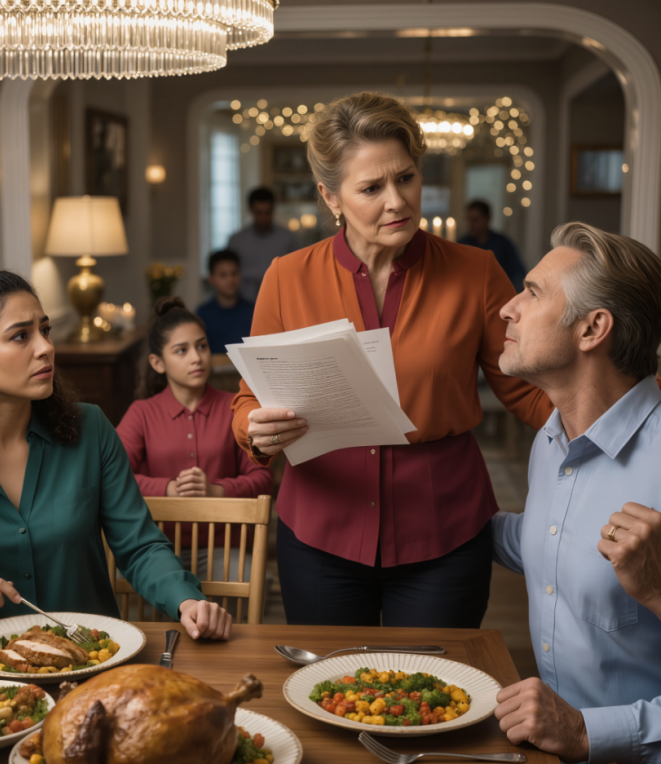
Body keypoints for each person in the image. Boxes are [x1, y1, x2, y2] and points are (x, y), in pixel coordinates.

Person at [232, 91, 552, 628]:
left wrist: (624, 422)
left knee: (436, 699)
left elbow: (526, 391)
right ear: (330, 198)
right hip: (318, 533)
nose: (397, 201)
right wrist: (253, 428)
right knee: (327, 694)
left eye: (405, 178)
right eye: (371, 188)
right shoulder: (286, 277)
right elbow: (251, 399)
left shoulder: (477, 273)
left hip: (444, 531)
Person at [0, 270, 231, 641]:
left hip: (94, 664)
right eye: (21, 336)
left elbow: (140, 546)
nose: (45, 347)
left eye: (45, 330)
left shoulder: (91, 429)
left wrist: (186, 601)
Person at [492, 222, 661, 762]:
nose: (507, 309)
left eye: (533, 293)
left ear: (592, 329)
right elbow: (549, 540)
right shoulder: (551, 439)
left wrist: (587, 733)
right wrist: (451, 515)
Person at [117, 297, 272, 577]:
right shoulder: (141, 413)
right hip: (155, 546)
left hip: (224, 548)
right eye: (181, 350)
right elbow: (113, 477)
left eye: (201, 346)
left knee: (247, 574)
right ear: (157, 362)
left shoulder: (235, 407)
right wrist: (168, 490)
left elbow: (263, 478)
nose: (196, 357)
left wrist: (216, 491)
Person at [227, 187, 301, 302]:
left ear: (273, 210)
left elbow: (298, 271)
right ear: (250, 210)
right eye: (259, 213)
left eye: (267, 213)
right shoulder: (236, 240)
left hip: (280, 299)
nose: (263, 218)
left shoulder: (288, 238)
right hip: (243, 303)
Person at [459, 200, 526, 292]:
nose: (470, 224)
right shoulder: (462, 245)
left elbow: (518, 273)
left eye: (475, 220)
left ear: (487, 219)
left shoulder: (503, 244)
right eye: (468, 219)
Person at [196, 250, 255, 353]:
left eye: (234, 273)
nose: (230, 280)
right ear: (211, 279)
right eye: (223, 275)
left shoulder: (253, 311)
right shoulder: (202, 314)